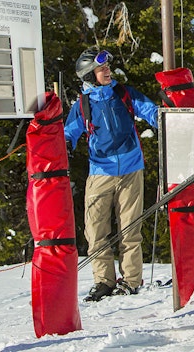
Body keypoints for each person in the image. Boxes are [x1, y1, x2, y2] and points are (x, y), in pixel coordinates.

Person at [64, 48, 159, 301]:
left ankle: (130, 280)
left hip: (131, 169)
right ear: (89, 76)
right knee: (95, 231)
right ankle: (104, 281)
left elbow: (151, 111)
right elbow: (69, 133)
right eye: (101, 69)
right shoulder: (82, 105)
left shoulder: (123, 93)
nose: (107, 71)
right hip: (100, 172)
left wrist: (166, 122)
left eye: (107, 68)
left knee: (130, 229)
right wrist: (62, 147)